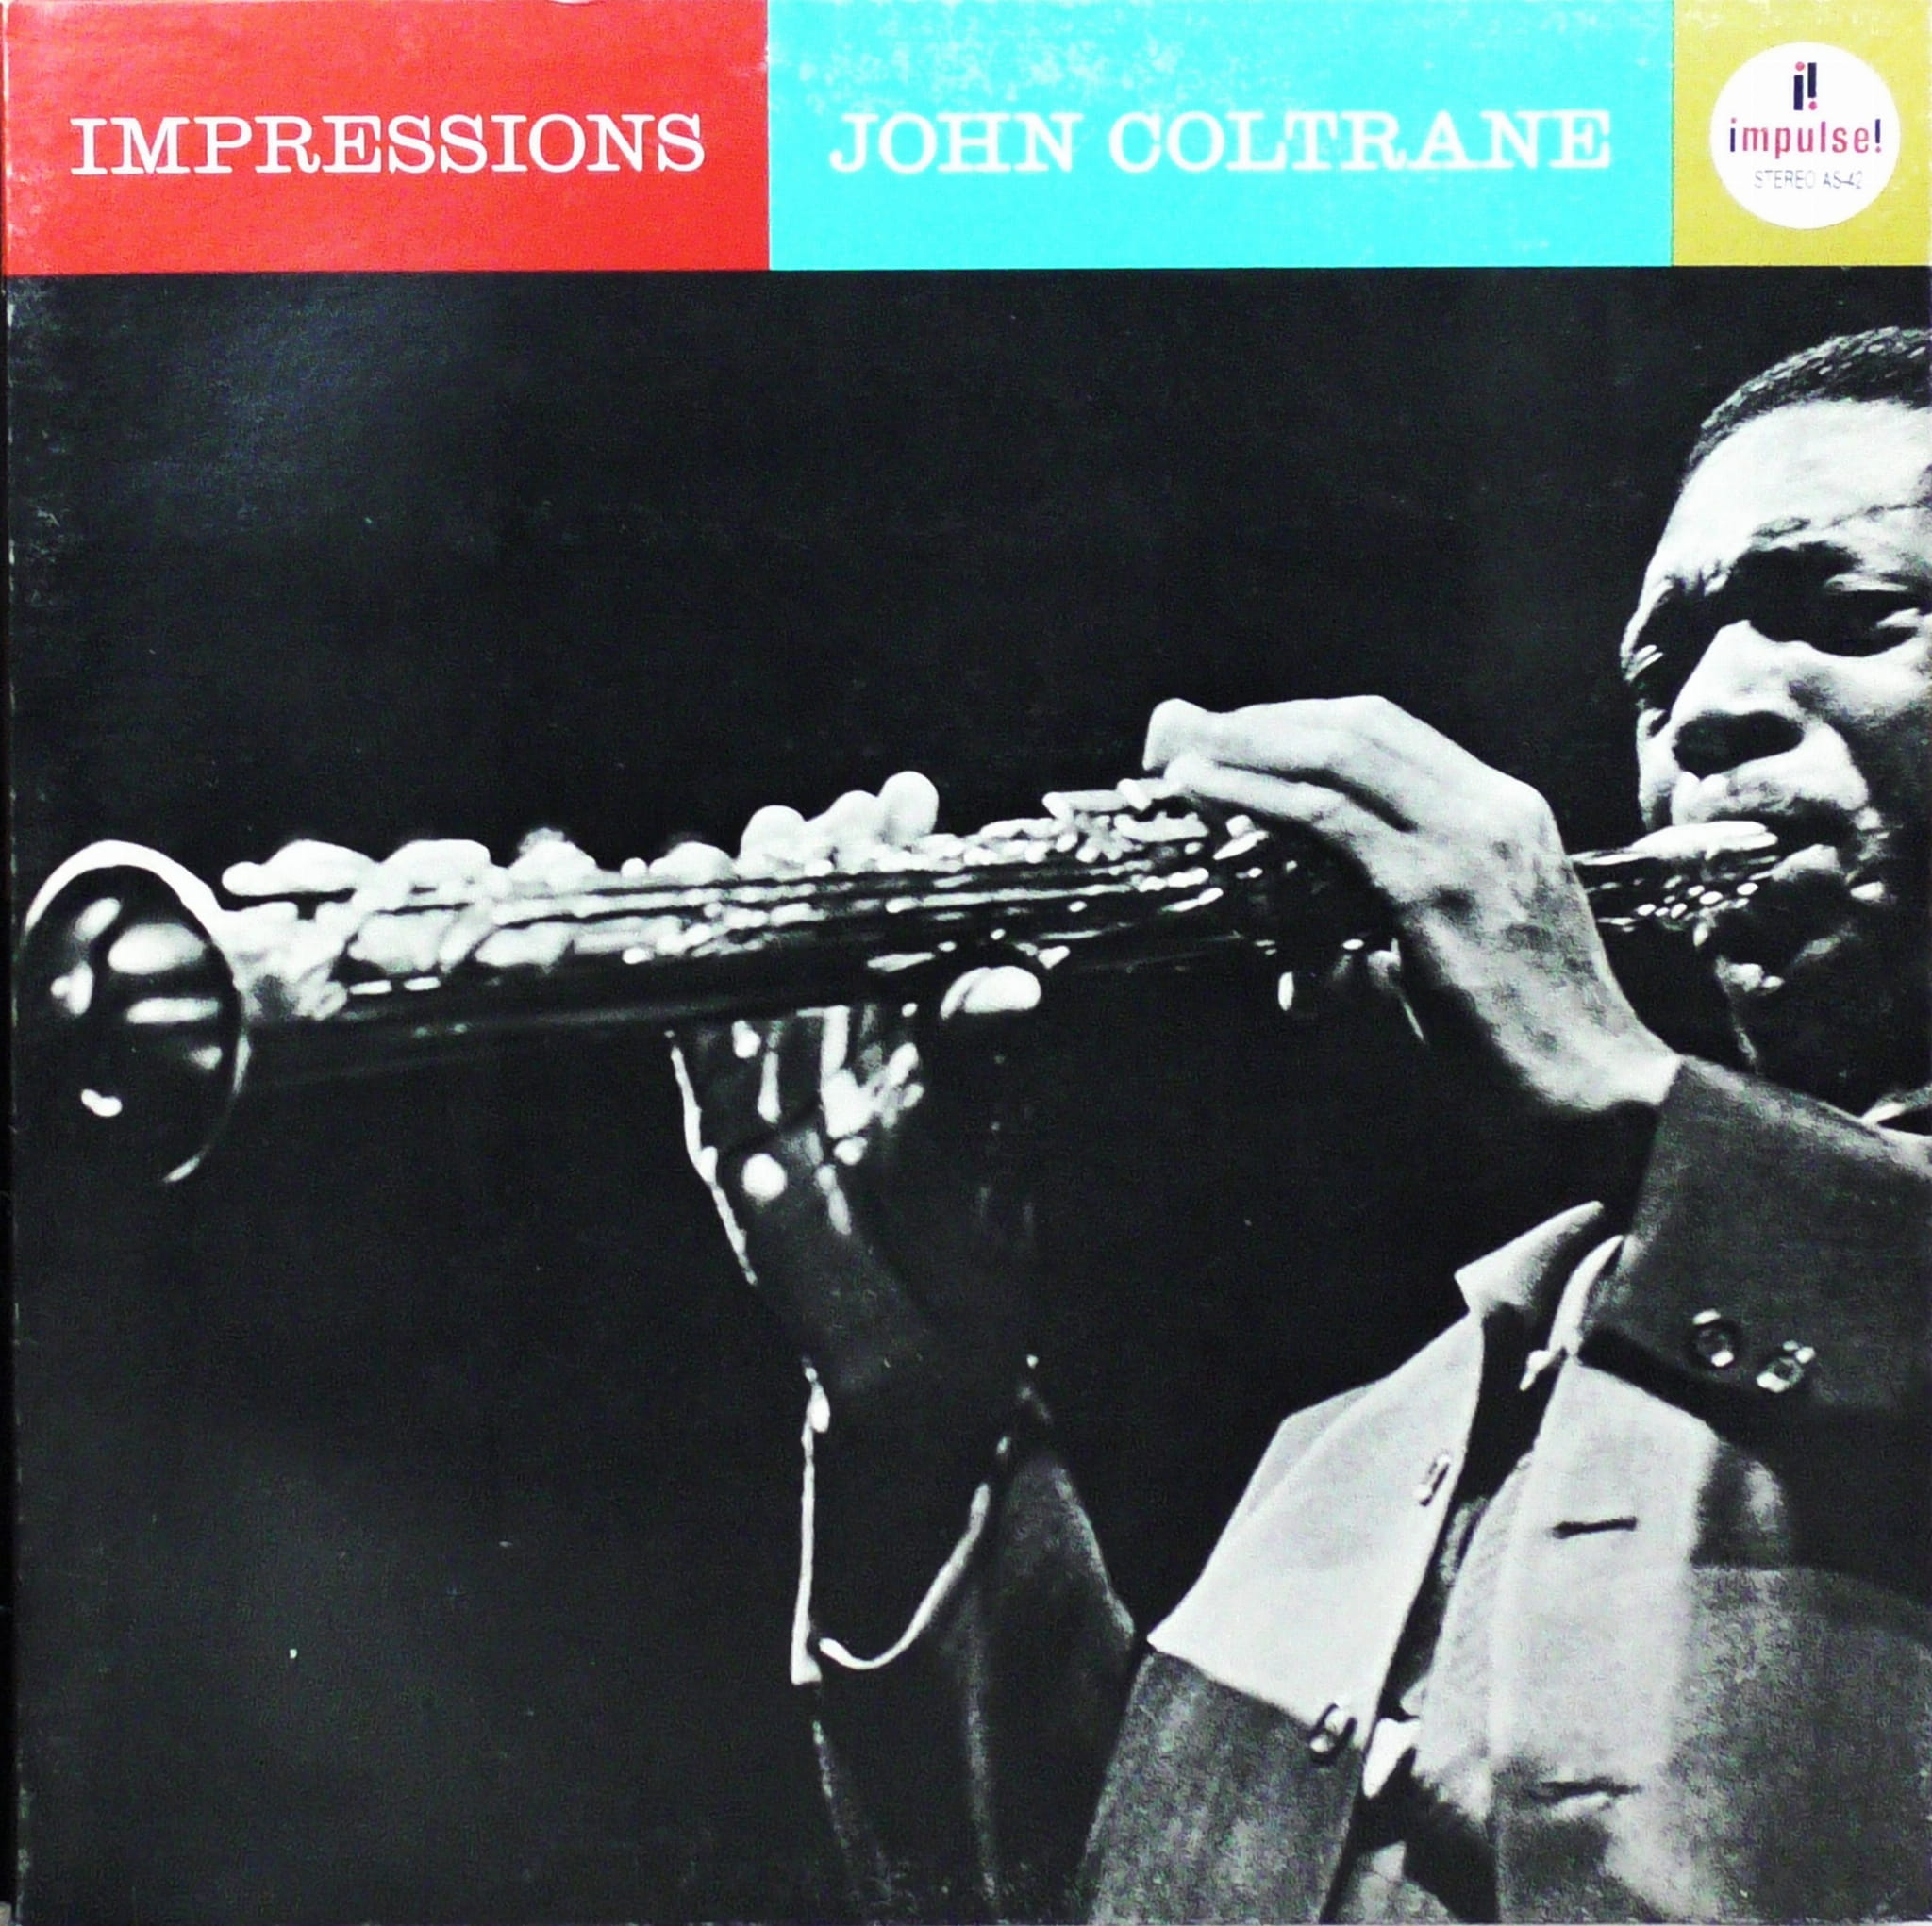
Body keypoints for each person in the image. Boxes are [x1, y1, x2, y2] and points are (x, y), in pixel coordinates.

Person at [673, 328, 1931, 1923]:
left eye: (1847, 613)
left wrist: (1628, 1096)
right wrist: (916, 1400)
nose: (1705, 712)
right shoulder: (1360, 1444)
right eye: (1654, 672)